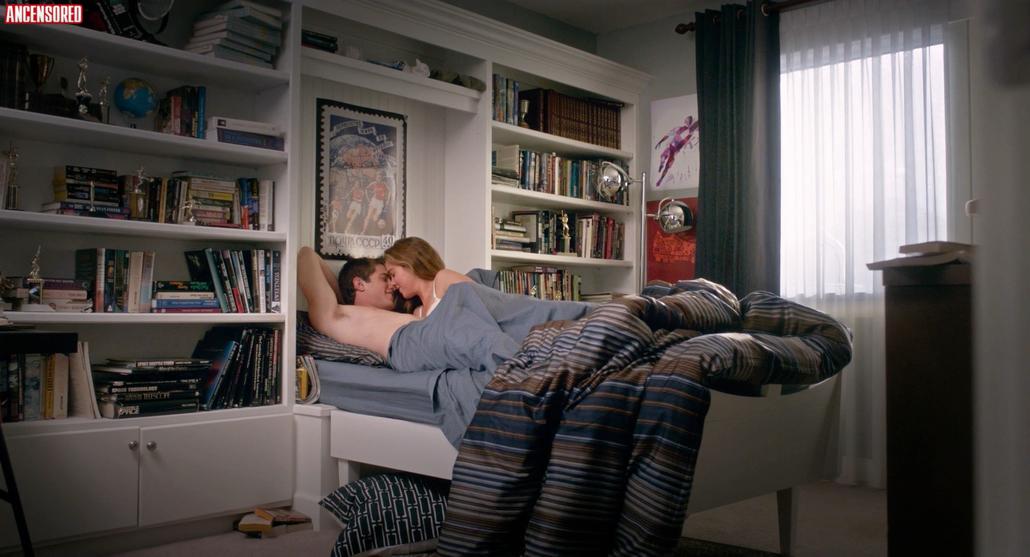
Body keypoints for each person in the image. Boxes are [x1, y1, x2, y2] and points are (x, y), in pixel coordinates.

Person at [298, 246, 416, 358]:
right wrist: (341, 298)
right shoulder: (335, 316)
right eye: (385, 279)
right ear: (359, 284)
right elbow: (306, 254)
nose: (393, 284)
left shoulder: (393, 309)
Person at [383, 237, 473, 319]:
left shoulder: (444, 279)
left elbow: (479, 301)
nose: (392, 283)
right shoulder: (417, 313)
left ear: (409, 264)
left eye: (393, 274)